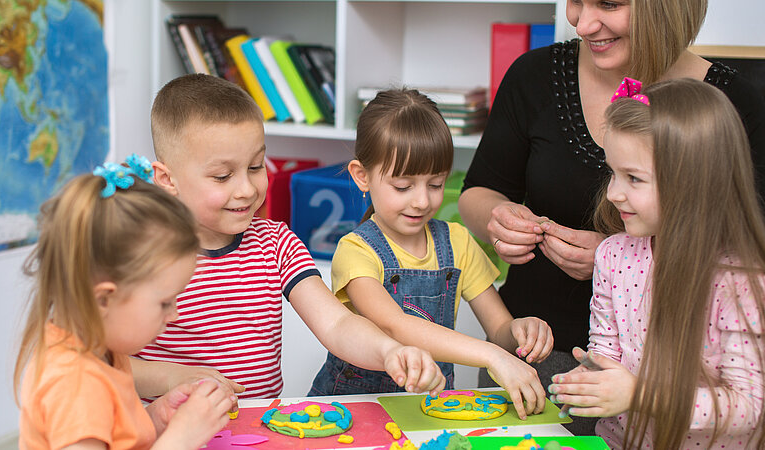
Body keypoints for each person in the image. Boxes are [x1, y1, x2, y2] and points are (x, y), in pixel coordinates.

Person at [457, 0, 765, 433]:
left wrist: (635, 254)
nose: (582, 23)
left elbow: (746, 399)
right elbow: (479, 191)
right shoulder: (534, 75)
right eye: (575, 2)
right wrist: (500, 217)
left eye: (608, 3)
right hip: (541, 353)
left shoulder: (736, 106)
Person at [132, 74, 447, 402]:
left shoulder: (276, 243)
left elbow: (337, 325)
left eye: (255, 167)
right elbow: (94, 361)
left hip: (257, 430)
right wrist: (169, 377)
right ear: (167, 179)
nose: (247, 189)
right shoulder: (139, 254)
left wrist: (388, 351)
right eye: (223, 176)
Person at [308, 89, 554, 419]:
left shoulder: (457, 241)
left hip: (428, 410)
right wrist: (493, 357)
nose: (422, 201)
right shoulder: (355, 250)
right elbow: (396, 327)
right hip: (355, 411)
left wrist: (521, 333)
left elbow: (499, 330)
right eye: (403, 186)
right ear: (362, 176)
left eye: (435, 184)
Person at [548, 78, 765, 449]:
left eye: (634, 178)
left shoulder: (739, 281)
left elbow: (748, 409)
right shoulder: (613, 255)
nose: (614, 193)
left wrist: (640, 395)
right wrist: (591, 378)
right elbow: (606, 350)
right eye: (612, 173)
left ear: (693, 181)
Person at [15, 155, 234, 449]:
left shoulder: (104, 351)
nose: (175, 314)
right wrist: (180, 439)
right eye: (165, 303)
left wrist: (155, 420)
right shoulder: (74, 384)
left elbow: (115, 437)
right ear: (104, 300)